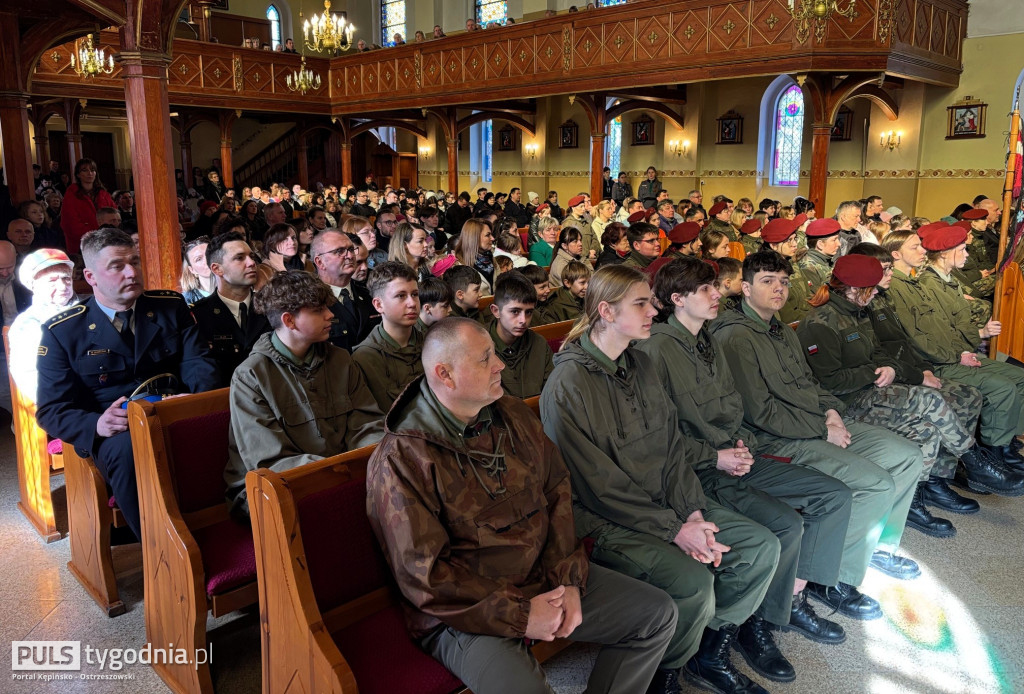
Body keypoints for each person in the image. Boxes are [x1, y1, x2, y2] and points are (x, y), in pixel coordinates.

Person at [366, 317, 677, 694]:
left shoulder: (510, 414)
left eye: (495, 354)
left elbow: (557, 494)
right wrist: (521, 615)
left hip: (541, 576)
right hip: (463, 612)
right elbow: (425, 577)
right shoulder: (403, 457)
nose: (499, 365)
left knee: (655, 614)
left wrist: (568, 580)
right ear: (444, 374)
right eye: (485, 359)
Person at [541, 265, 780, 694]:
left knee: (758, 548)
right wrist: (676, 530)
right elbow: (599, 487)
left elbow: (672, 450)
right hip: (602, 518)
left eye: (651, 300)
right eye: (641, 302)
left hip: (666, 504)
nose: (654, 309)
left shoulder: (640, 363)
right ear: (606, 312)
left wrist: (691, 512)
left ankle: (705, 652)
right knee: (693, 582)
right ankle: (664, 674)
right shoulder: (569, 383)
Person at [639, 257, 852, 683]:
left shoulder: (708, 341)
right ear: (677, 300)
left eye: (717, 287)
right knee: (785, 528)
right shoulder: (656, 349)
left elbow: (734, 407)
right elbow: (659, 436)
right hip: (696, 471)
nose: (719, 294)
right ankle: (731, 634)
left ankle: (781, 608)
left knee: (833, 495)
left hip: (734, 456)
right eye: (707, 290)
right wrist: (714, 456)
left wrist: (739, 444)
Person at [710, 251, 924, 621]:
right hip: (779, 438)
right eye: (767, 281)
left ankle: (873, 548)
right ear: (745, 288)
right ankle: (834, 579)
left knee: (906, 454)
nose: (778, 289)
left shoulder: (778, 327)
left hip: (815, 420)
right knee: (874, 483)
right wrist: (821, 428)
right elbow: (758, 412)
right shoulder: (735, 338)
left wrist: (830, 413)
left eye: (783, 282)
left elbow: (810, 383)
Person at [796, 253, 1005, 538]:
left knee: (927, 429)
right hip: (847, 404)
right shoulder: (821, 323)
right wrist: (875, 372)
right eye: (872, 288)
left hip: (873, 392)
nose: (877, 292)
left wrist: (892, 368)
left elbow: (880, 353)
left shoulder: (858, 312)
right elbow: (829, 382)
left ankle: (913, 500)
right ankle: (975, 461)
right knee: (930, 401)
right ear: (854, 290)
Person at [35, 228, 219, 540]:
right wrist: (98, 424)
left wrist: (193, 401)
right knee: (130, 452)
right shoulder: (63, 331)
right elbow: (51, 410)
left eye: (135, 261)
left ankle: (232, 533)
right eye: (117, 266)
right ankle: (164, 555)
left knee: (225, 426)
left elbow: (199, 363)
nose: (132, 272)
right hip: (116, 430)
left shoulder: (170, 305)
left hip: (175, 409)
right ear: (91, 277)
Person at [847, 242, 1024, 500]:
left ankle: (946, 473)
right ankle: (952, 473)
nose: (887, 275)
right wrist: (922, 373)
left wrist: (925, 369)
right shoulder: (860, 307)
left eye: (887, 270)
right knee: (940, 399)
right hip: (879, 384)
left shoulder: (881, 299)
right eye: (883, 270)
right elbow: (878, 357)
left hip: (914, 367)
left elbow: (905, 343)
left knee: (968, 396)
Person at [223, 270, 383, 514]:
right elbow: (269, 461)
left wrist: (363, 463)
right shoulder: (251, 376)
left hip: (340, 474)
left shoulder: (340, 359)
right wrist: (337, 474)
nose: (331, 315)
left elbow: (367, 424)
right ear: (289, 321)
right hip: (271, 488)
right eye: (319, 310)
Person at [883, 226, 1024, 470]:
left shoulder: (915, 284)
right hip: (940, 362)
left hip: (953, 354)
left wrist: (963, 349)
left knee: (1019, 377)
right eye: (915, 247)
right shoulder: (903, 286)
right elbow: (916, 337)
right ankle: (993, 451)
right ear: (896, 254)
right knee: (1003, 388)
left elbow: (943, 328)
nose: (922, 250)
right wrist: (957, 355)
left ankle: (1004, 441)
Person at [191, 232, 271, 385]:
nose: (251, 263)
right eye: (239, 258)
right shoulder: (199, 315)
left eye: (251, 256)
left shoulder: (271, 307)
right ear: (217, 269)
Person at [352, 262, 425, 412]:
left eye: (415, 294)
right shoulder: (365, 357)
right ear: (378, 305)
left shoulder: (430, 343)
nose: (412, 303)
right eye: (401, 296)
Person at [8, 249, 78, 405]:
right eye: (52, 280)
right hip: (69, 407)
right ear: (33, 284)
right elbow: (34, 381)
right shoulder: (28, 324)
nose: (62, 286)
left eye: (66, 278)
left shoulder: (90, 308)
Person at [486, 272, 553, 398]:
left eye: (528, 312)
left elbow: (551, 391)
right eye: (515, 311)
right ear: (496, 311)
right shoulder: (478, 347)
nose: (523, 320)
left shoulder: (539, 344)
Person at [781, 218, 840, 323]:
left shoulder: (827, 261)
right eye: (834, 240)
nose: (839, 244)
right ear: (820, 244)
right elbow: (817, 299)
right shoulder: (808, 267)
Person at [60, 158, 116, 256]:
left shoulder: (103, 193)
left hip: (107, 240)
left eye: (92, 170)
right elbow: (69, 223)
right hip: (82, 243)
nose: (89, 173)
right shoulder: (72, 194)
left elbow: (114, 215)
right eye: (84, 170)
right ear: (78, 174)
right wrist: (95, 236)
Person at [180, 236, 216, 304]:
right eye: (198, 259)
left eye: (208, 254)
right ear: (192, 270)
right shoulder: (187, 301)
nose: (207, 260)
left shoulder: (236, 289)